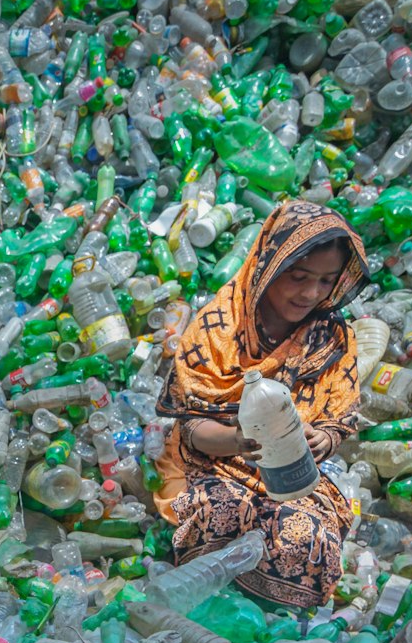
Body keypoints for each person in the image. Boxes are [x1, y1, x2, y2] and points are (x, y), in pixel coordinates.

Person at [152, 200, 370, 608]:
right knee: (218, 516)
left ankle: (278, 617)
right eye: (298, 276)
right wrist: (239, 441)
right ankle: (218, 610)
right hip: (212, 462)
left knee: (303, 534)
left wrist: (322, 438)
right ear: (267, 265)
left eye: (325, 281)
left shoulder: (332, 336)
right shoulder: (219, 327)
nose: (310, 293)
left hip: (294, 471)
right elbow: (194, 428)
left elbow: (338, 416)